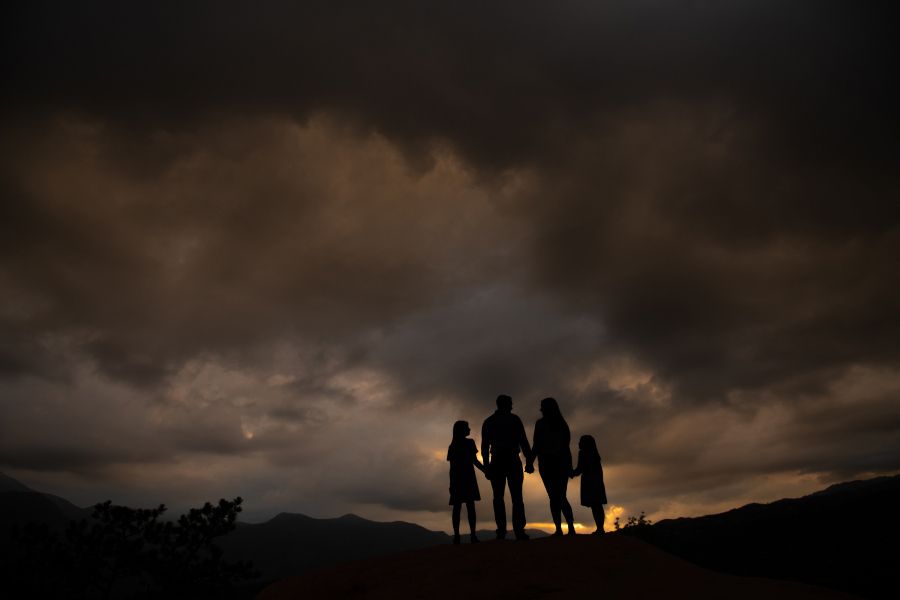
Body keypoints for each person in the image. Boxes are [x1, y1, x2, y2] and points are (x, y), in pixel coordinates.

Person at [481, 394, 533, 540]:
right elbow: (524, 442)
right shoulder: (514, 419)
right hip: (511, 460)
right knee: (516, 496)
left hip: (497, 461)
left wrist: (486, 466)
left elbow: (485, 447)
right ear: (506, 404)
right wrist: (529, 462)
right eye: (510, 403)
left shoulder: (489, 421)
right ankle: (518, 530)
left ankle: (502, 531)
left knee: (498, 497)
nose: (512, 405)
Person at [528, 397, 576, 536]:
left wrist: (530, 462)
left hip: (551, 464)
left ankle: (563, 529)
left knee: (556, 497)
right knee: (559, 496)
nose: (541, 409)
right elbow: (537, 445)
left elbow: (536, 445)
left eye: (543, 407)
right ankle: (566, 528)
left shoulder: (548, 424)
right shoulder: (560, 424)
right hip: (554, 464)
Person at [447, 420, 485, 544]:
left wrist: (451, 484)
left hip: (458, 479)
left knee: (457, 508)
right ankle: (472, 535)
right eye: (467, 428)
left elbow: (452, 468)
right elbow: (475, 461)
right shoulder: (469, 443)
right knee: (470, 507)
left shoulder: (452, 446)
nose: (469, 429)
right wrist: (486, 470)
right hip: (468, 478)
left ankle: (457, 536)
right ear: (462, 430)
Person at [570, 434, 608, 534]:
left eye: (581, 441)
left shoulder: (583, 453)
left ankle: (600, 528)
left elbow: (579, 469)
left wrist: (570, 472)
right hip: (596, 481)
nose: (578, 443)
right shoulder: (595, 455)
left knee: (595, 506)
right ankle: (600, 528)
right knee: (597, 505)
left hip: (590, 482)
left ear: (585, 444)